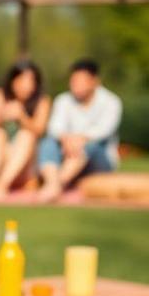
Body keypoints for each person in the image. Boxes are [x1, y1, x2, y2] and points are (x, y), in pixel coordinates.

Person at [35, 59, 122, 202]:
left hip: (99, 161)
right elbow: (54, 128)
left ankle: (56, 185)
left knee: (90, 146)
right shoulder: (63, 100)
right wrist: (66, 139)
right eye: (74, 81)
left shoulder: (111, 102)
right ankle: (53, 184)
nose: (76, 85)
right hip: (67, 155)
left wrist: (78, 140)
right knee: (48, 143)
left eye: (82, 81)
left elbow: (104, 131)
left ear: (95, 81)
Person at [0, 60, 51, 198]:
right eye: (22, 80)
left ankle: (2, 186)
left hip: (27, 167)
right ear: (12, 80)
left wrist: (22, 117)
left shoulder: (42, 100)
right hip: (2, 159)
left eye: (31, 81)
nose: (27, 86)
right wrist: (2, 116)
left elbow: (40, 131)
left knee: (27, 135)